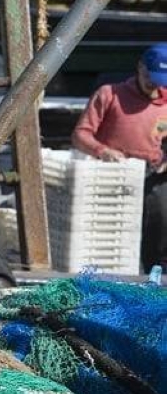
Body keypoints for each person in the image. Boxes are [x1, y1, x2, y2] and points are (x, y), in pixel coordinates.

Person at [71, 45, 167, 272]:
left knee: (161, 218)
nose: (153, 85)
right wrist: (102, 151)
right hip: (113, 175)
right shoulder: (110, 94)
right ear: (140, 67)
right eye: (149, 76)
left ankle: (158, 272)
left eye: (160, 80)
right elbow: (80, 134)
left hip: (154, 174)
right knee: (115, 235)